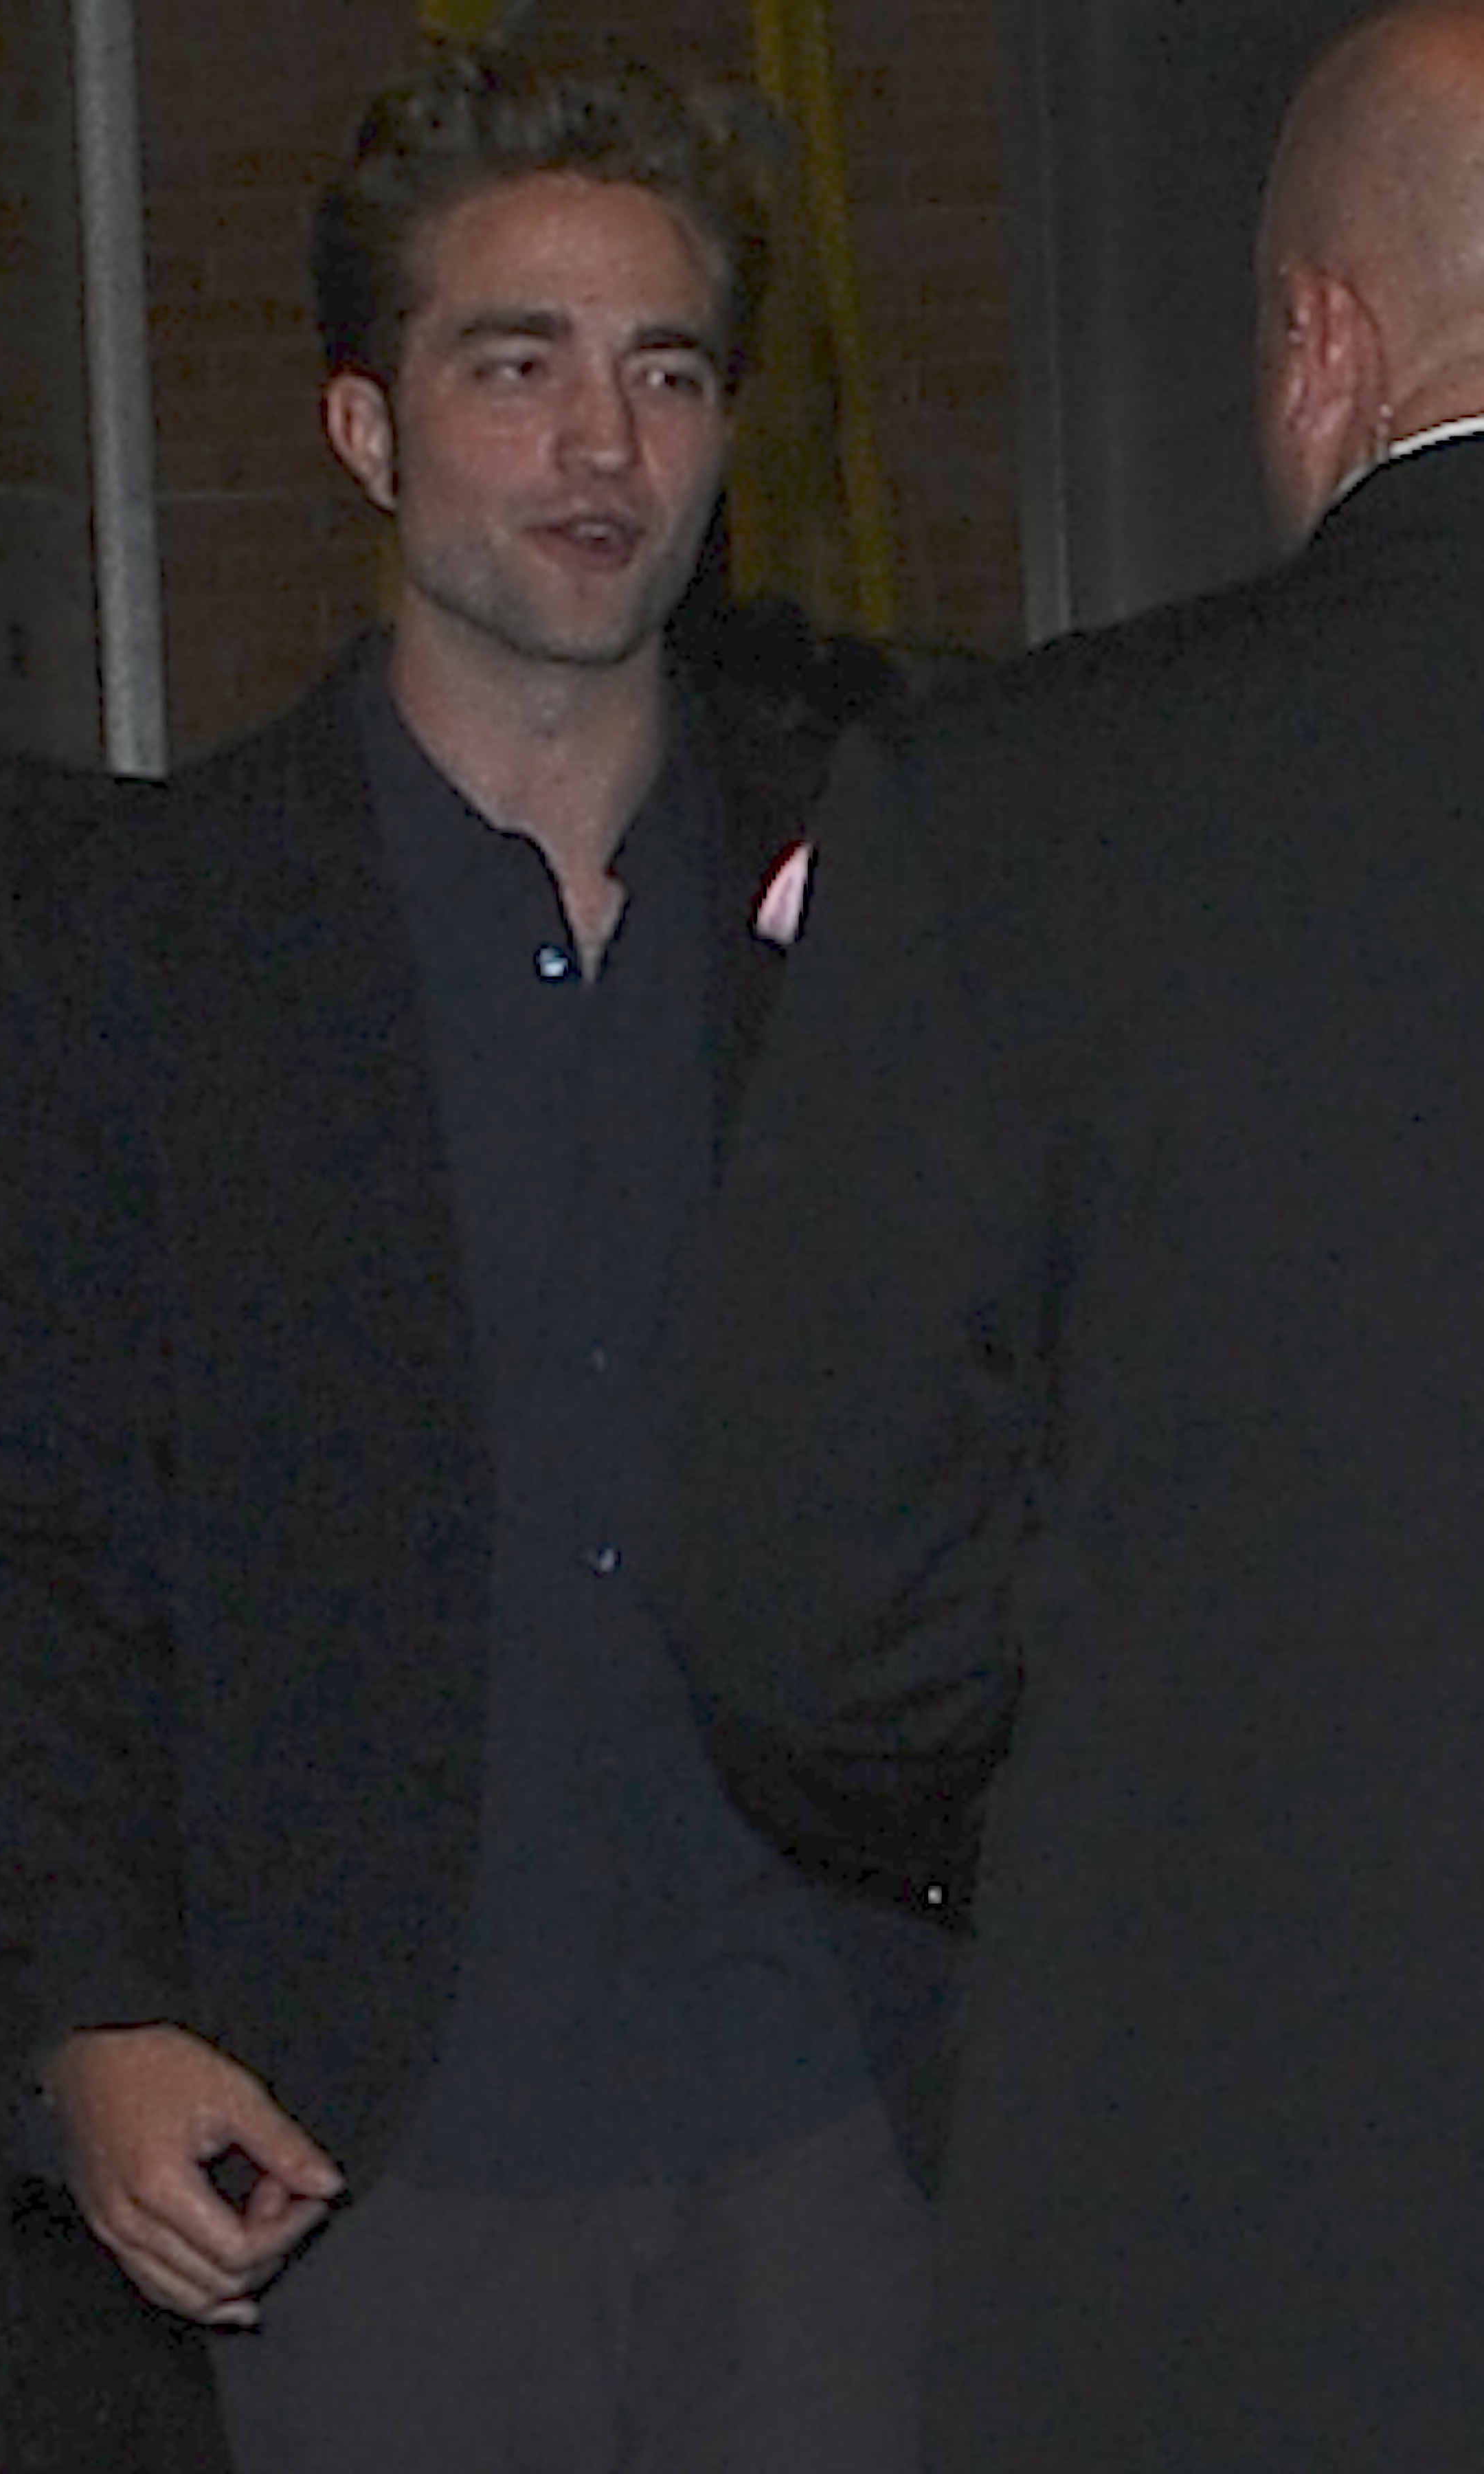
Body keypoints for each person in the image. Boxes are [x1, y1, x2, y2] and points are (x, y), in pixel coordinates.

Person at [0, 38, 949, 2474]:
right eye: (516, 365)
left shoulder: (891, 895)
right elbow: (16, 1523)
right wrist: (93, 2013)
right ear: (364, 430)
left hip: (838, 2119)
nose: (600, 446)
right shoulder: (155, 944)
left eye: (662, 372)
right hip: (370, 2146)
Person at [674, 5, 1484, 2467]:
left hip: (1225, 2202)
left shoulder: (1008, 813)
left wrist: (1110, 1793)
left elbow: (801, 1595)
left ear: (1320, 343)